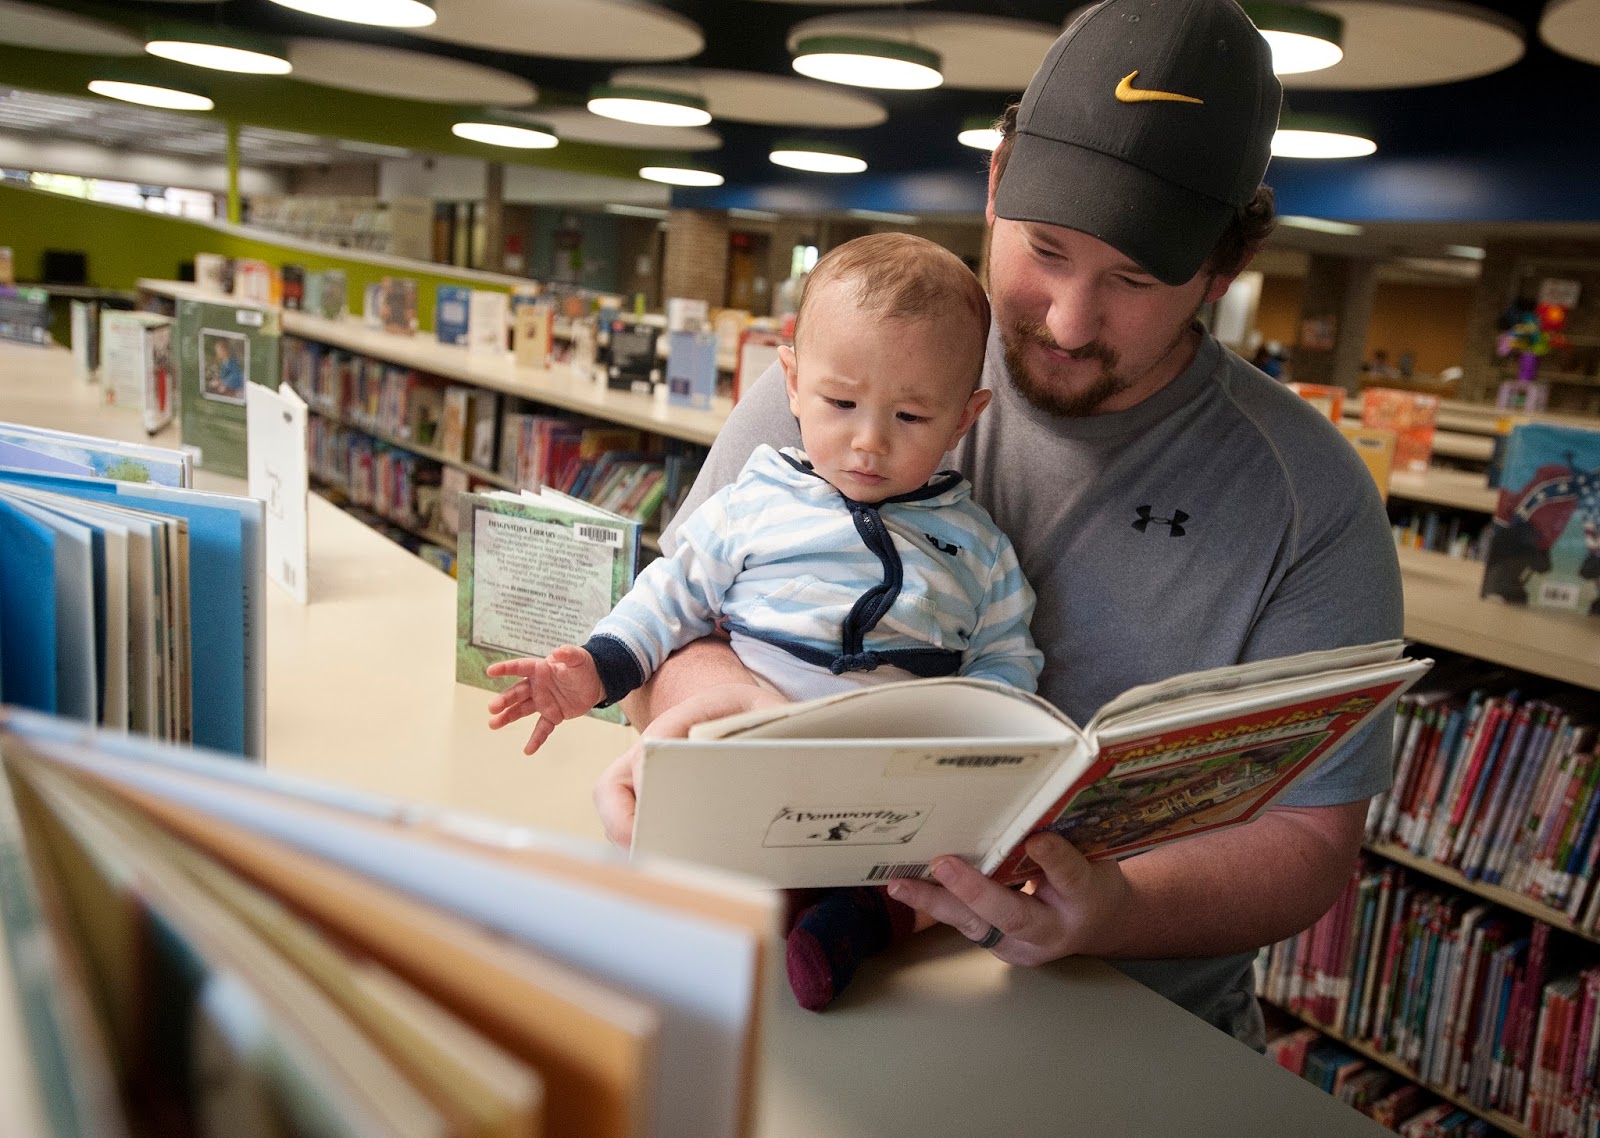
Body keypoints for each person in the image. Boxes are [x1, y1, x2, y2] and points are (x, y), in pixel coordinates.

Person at [595, 0, 1403, 1048]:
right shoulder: (843, 375)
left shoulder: (1312, 500)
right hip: (797, 998)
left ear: (1222, 267)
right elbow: (681, 621)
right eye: (1046, 249)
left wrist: (1115, 906)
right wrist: (725, 714)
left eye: (1134, 280)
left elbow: (1311, 836)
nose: (1069, 320)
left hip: (1124, 1036)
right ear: (995, 181)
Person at [485, 233, 1045, 1008]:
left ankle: (856, 921)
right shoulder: (752, 506)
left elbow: (1008, 661)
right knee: (685, 857)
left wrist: (994, 747)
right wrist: (595, 666)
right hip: (753, 771)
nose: (869, 441)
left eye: (912, 415)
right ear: (790, 381)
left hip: (894, 796)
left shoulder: (980, 549)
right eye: (840, 403)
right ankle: (747, 911)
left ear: (965, 419)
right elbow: (669, 595)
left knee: (943, 874)